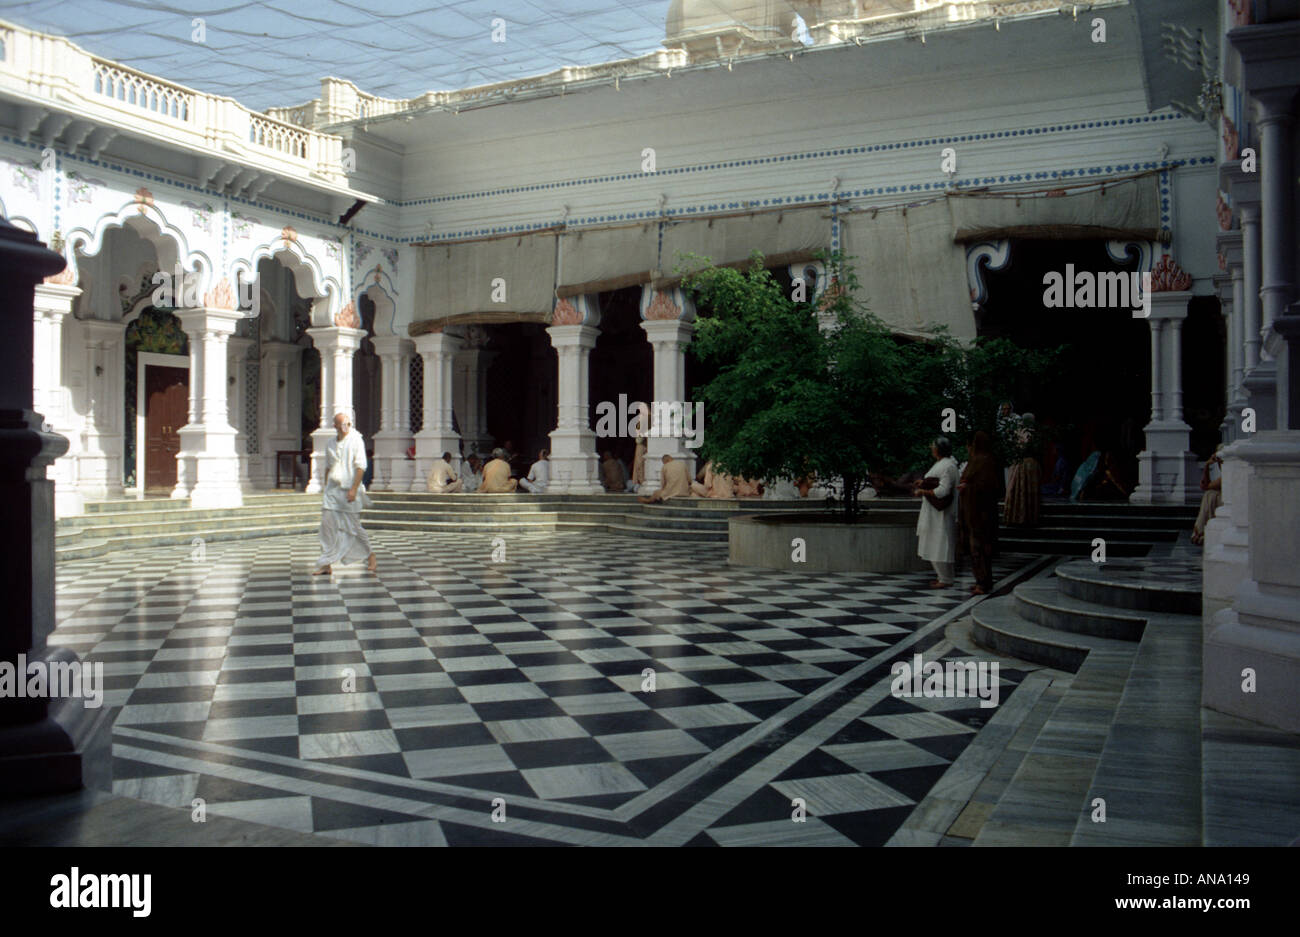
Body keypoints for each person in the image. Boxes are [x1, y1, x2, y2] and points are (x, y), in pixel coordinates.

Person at [314, 412, 377, 575]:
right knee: (327, 526)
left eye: (348, 424)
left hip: (349, 490)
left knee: (353, 527)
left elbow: (361, 467)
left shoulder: (356, 440)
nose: (346, 427)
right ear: (335, 426)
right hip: (332, 491)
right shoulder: (330, 443)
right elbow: (328, 466)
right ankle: (326, 563)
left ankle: (370, 555)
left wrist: (354, 489)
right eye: (342, 424)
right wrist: (325, 486)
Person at [913, 436, 959, 589]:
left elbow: (943, 490)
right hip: (933, 512)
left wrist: (923, 491)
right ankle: (943, 576)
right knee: (936, 542)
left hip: (941, 513)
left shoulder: (948, 466)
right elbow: (935, 481)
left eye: (933, 446)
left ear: (939, 449)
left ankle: (945, 578)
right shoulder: (942, 464)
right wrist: (924, 483)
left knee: (940, 543)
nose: (931, 449)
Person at [958, 430, 1000, 595]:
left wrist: (968, 487)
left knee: (980, 548)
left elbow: (987, 487)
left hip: (981, 513)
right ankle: (981, 580)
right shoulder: (978, 461)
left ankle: (983, 583)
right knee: (977, 548)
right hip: (973, 512)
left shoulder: (984, 461)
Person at [1003, 413, 1041, 527]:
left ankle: (1021, 516)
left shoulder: (1023, 433)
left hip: (1023, 464)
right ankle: (1023, 517)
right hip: (1025, 464)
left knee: (1021, 489)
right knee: (1022, 489)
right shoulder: (1026, 433)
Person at [1192, 446, 1224, 545]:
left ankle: (1200, 532)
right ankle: (1200, 532)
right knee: (1210, 494)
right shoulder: (1223, 475)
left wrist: (1206, 466)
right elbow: (1204, 485)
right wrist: (1207, 465)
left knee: (1210, 495)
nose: (1219, 463)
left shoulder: (1227, 475)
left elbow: (1205, 486)